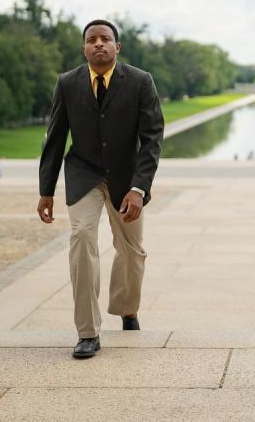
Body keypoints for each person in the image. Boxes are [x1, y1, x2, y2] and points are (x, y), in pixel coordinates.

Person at [37, 19, 165, 359]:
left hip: (127, 177)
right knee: (81, 238)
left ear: (117, 46)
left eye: (105, 39)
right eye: (91, 40)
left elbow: (152, 139)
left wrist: (139, 188)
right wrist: (46, 189)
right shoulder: (67, 83)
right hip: (84, 173)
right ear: (84, 48)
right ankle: (87, 332)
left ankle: (127, 308)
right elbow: (54, 139)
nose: (98, 44)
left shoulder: (140, 81)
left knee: (131, 251)